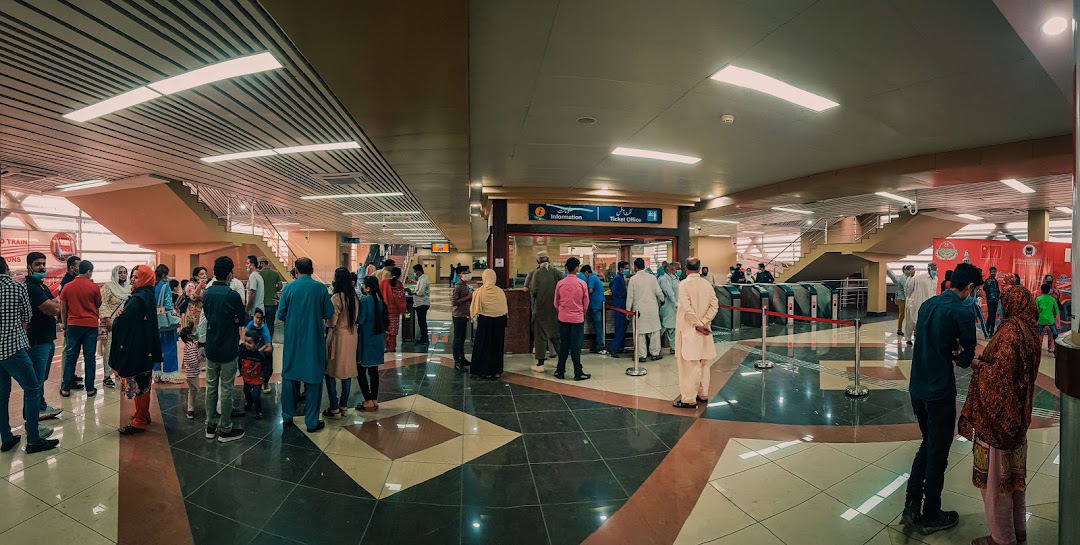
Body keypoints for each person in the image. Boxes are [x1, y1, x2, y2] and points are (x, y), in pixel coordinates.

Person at [902, 262, 982, 535]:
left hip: (917, 387)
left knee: (928, 442)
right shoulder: (962, 310)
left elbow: (934, 342)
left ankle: (911, 503)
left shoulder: (929, 305)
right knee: (938, 451)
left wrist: (951, 349)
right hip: (939, 392)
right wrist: (962, 354)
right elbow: (965, 359)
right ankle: (931, 514)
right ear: (970, 288)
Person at [957, 286, 1041, 545]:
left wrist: (974, 365)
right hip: (1019, 418)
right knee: (1014, 481)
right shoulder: (1030, 330)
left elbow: (998, 378)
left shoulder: (1009, 333)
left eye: (1005, 301)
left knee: (995, 484)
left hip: (998, 420)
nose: (1002, 305)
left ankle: (1002, 538)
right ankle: (1018, 531)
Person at [0, 258, 59, 453]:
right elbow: (27, 316)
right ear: (6, 269)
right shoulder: (18, 288)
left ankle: (7, 438)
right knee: (33, 388)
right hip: (13, 348)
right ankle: (33, 440)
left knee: (2, 395)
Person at [277, 257, 334, 432]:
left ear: (296, 270)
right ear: (312, 270)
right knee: (313, 380)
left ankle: (287, 416)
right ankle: (311, 422)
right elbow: (329, 313)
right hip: (313, 339)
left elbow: (281, 314)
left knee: (289, 377)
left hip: (293, 339)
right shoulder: (319, 288)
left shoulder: (289, 289)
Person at [198, 256, 247, 443]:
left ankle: (210, 426)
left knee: (211, 386)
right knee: (226, 387)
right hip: (228, 346)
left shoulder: (208, 293)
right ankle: (225, 429)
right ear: (229, 274)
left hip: (211, 345)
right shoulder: (232, 295)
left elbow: (208, 315)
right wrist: (233, 320)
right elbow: (241, 319)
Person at [112, 264, 163, 435]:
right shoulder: (147, 294)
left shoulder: (137, 299)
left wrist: (118, 318)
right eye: (132, 276)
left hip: (138, 348)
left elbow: (123, 322)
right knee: (143, 381)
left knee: (140, 382)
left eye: (136, 277)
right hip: (145, 346)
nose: (132, 279)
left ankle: (140, 421)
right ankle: (142, 414)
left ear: (145, 278)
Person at [673, 258, 719, 409]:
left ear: (685, 268)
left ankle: (688, 399)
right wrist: (705, 322)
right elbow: (714, 306)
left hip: (689, 331)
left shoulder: (684, 285)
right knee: (704, 363)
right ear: (699, 269)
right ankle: (703, 393)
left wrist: (698, 324)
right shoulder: (707, 284)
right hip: (705, 331)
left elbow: (687, 308)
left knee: (689, 366)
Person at [23, 252, 63, 420]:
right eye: (38, 264)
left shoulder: (41, 285)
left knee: (42, 377)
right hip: (37, 340)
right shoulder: (31, 287)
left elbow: (55, 304)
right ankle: (33, 414)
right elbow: (54, 308)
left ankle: (40, 406)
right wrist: (54, 305)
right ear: (29, 267)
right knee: (36, 380)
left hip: (47, 338)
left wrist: (53, 305)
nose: (42, 267)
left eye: (43, 264)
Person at [59, 259, 101, 396]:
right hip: (90, 325)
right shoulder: (94, 287)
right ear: (88, 271)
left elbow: (63, 309)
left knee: (71, 356)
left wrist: (64, 326)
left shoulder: (68, 286)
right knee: (89, 357)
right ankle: (89, 389)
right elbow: (98, 304)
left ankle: (66, 388)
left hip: (73, 325)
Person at [324, 267, 358, 418]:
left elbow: (332, 322)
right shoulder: (354, 297)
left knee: (330, 371)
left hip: (338, 336)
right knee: (347, 371)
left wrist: (325, 321)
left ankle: (334, 407)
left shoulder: (336, 298)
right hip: (351, 335)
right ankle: (344, 405)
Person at [553, 258, 592, 381]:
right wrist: (580, 311)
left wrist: (562, 310)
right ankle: (577, 372)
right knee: (576, 346)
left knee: (564, 345)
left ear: (566, 268)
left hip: (563, 318)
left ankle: (560, 371)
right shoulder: (582, 283)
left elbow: (555, 302)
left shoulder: (560, 283)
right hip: (577, 319)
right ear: (577, 269)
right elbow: (586, 303)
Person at [356, 275, 388, 410]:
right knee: (374, 371)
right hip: (378, 339)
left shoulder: (365, 300)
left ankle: (367, 400)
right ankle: (374, 398)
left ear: (368, 288)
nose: (362, 287)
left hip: (366, 339)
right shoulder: (380, 301)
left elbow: (361, 320)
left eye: (363, 285)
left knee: (361, 371)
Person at [469, 269, 509, 379]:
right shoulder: (500, 292)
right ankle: (496, 371)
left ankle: (482, 370)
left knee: (483, 345)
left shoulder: (479, 292)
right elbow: (504, 309)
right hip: (499, 322)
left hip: (484, 322)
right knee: (497, 346)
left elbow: (475, 308)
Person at [529, 256, 563, 373]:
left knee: (540, 336)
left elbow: (533, 290)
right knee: (556, 336)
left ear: (538, 262)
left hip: (541, 309)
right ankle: (561, 362)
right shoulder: (557, 273)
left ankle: (540, 364)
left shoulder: (537, 273)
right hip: (556, 309)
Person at [627, 257, 664, 362]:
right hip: (652, 308)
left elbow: (630, 296)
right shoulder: (652, 278)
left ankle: (641, 355)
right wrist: (662, 300)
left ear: (635, 267)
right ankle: (655, 353)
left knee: (640, 333)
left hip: (639, 310)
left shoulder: (633, 279)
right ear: (644, 266)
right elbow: (659, 292)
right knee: (654, 332)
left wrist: (628, 310)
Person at [98, 264, 129, 389]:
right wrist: (107, 319)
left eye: (124, 272)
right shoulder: (108, 287)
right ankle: (106, 376)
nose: (122, 275)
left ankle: (119, 371)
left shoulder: (129, 288)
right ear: (115, 274)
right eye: (120, 272)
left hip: (125, 324)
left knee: (123, 348)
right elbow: (102, 303)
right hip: (111, 323)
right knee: (110, 349)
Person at [902, 263, 937, 345]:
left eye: (935, 269)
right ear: (929, 269)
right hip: (916, 303)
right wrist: (910, 299)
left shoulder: (936, 279)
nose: (934, 271)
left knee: (926, 321)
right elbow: (908, 289)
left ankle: (923, 337)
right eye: (933, 269)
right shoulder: (918, 278)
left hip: (929, 304)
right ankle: (908, 338)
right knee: (910, 321)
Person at [577, 265, 607, 355]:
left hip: (595, 305)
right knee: (597, 326)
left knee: (598, 326)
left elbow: (589, 291)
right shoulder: (595, 277)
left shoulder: (591, 278)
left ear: (586, 272)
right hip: (598, 304)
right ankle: (598, 345)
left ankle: (600, 346)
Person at [245, 309, 274, 393]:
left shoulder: (264, 330)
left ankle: (265, 381)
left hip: (262, 352)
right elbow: (244, 334)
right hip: (253, 349)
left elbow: (269, 347)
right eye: (256, 317)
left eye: (260, 318)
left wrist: (259, 350)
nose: (258, 320)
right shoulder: (250, 324)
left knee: (268, 355)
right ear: (253, 317)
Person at [451, 265, 474, 371]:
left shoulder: (465, 285)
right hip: (458, 315)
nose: (468, 274)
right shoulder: (458, 286)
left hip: (464, 314)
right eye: (466, 272)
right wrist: (468, 297)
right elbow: (454, 302)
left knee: (462, 338)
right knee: (457, 339)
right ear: (460, 275)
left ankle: (462, 358)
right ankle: (457, 362)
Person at [239, 330, 265, 420]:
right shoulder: (243, 351)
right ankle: (249, 403)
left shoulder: (260, 356)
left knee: (256, 395)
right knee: (246, 391)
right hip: (246, 378)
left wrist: (264, 376)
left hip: (257, 379)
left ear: (256, 344)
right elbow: (239, 360)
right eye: (245, 341)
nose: (246, 344)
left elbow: (266, 366)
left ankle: (259, 411)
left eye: (249, 342)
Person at [380, 267, 406, 352]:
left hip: (384, 310)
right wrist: (403, 309)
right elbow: (401, 298)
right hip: (394, 311)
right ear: (399, 275)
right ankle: (392, 347)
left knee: (385, 328)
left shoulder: (383, 282)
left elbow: (378, 294)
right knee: (393, 330)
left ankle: (384, 346)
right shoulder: (399, 285)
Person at [607, 261, 630, 358]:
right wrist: (624, 295)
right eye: (626, 268)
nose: (627, 270)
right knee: (620, 327)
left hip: (622, 305)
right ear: (621, 268)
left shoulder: (621, 278)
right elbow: (615, 291)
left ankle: (620, 346)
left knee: (623, 327)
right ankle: (614, 347)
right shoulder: (617, 278)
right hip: (620, 305)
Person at [257, 256, 282, 340]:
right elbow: (280, 285)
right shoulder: (275, 273)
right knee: (271, 324)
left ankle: (262, 342)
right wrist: (274, 290)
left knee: (260, 324)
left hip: (261, 303)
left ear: (262, 263)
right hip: (272, 303)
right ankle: (269, 341)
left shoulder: (259, 274)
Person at [658, 262, 681, 355]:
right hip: (667, 307)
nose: (679, 270)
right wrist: (675, 303)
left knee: (671, 329)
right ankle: (653, 348)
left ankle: (673, 348)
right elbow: (669, 292)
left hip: (673, 307)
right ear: (669, 269)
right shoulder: (663, 279)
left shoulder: (674, 279)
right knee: (662, 327)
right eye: (677, 268)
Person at [179, 325, 200, 420]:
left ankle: (190, 410)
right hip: (193, 374)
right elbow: (194, 361)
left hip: (189, 373)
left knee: (191, 391)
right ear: (188, 336)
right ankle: (190, 410)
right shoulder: (191, 347)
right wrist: (202, 358)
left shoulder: (188, 346)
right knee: (194, 391)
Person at [1035, 283, 1059, 356]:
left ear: (1041, 290)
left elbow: (1035, 310)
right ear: (1049, 291)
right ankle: (1056, 350)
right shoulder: (1052, 299)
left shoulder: (1038, 299)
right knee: (1055, 334)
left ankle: (1036, 350)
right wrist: (1053, 316)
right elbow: (1056, 310)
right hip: (1050, 320)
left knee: (1037, 335)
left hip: (1041, 319)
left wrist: (1037, 317)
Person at [410, 264, 430, 345]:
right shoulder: (422, 278)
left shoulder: (423, 279)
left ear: (418, 271)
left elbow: (420, 292)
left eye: (415, 271)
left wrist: (413, 292)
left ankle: (424, 339)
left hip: (422, 303)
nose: (414, 273)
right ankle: (423, 337)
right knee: (421, 321)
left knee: (422, 322)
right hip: (420, 303)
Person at [895, 265, 914, 337]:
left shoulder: (909, 277)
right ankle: (899, 329)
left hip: (906, 298)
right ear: (905, 271)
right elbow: (906, 287)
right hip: (901, 298)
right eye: (910, 270)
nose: (911, 271)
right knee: (901, 314)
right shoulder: (903, 278)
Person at [984, 267, 1001, 336]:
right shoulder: (988, 280)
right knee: (991, 315)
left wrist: (999, 296)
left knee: (993, 315)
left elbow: (997, 290)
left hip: (995, 300)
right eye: (992, 272)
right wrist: (988, 284)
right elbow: (985, 288)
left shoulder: (996, 281)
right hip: (990, 300)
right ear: (990, 272)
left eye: (994, 272)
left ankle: (988, 329)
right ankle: (990, 331)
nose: (993, 273)